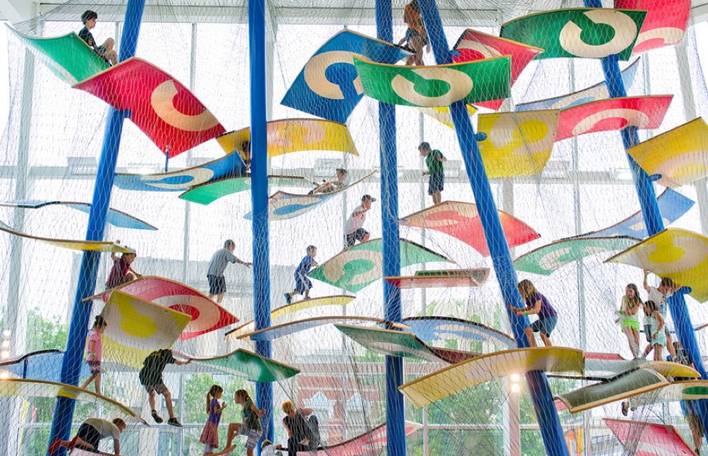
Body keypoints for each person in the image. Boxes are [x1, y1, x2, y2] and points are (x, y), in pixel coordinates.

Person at [139, 349, 190, 427]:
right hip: (154, 377)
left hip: (143, 375)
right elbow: (178, 362)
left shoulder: (154, 352)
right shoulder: (167, 353)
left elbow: (145, 362)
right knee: (167, 394)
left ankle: (153, 411)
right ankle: (172, 418)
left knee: (151, 393)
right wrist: (186, 362)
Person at [643, 271, 678, 360]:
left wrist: (684, 280)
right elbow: (645, 286)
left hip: (661, 322)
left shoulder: (665, 294)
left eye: (668, 290)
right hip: (652, 322)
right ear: (661, 285)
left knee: (668, 338)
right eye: (665, 289)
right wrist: (645, 275)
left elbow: (674, 289)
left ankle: (675, 359)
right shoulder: (653, 291)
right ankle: (643, 357)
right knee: (654, 342)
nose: (666, 292)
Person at [514, 279, 558, 347]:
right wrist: (519, 310)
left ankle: (550, 350)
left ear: (526, 289)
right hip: (542, 319)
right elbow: (529, 308)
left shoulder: (536, 295)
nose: (520, 293)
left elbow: (537, 310)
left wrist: (522, 313)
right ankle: (534, 348)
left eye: (521, 290)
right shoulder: (528, 299)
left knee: (543, 334)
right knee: (528, 330)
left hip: (551, 317)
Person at [207, 240, 252, 304]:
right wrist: (244, 263)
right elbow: (235, 259)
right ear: (230, 246)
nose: (233, 250)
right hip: (215, 275)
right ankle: (208, 304)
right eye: (233, 248)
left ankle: (217, 304)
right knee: (214, 293)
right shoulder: (226, 251)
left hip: (214, 274)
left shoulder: (218, 251)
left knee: (221, 291)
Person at [49, 417, 126, 455]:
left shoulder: (108, 427)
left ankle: (61, 442)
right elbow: (116, 444)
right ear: (118, 424)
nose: (121, 431)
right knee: (92, 449)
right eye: (122, 428)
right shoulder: (115, 428)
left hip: (86, 424)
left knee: (79, 446)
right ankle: (79, 440)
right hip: (95, 427)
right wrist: (117, 454)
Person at [222, 390, 265, 456]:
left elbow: (257, 412)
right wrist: (236, 434)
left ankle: (227, 448)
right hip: (249, 428)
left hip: (255, 430)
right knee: (231, 426)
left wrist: (260, 412)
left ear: (240, 396)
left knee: (249, 452)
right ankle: (227, 449)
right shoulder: (243, 409)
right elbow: (245, 425)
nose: (234, 398)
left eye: (235, 396)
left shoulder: (249, 403)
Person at [80, 315, 107, 395]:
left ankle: (96, 391)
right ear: (98, 326)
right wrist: (92, 354)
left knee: (97, 375)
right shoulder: (94, 334)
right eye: (103, 328)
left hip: (95, 359)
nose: (103, 331)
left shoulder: (96, 334)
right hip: (93, 358)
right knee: (96, 373)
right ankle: (86, 387)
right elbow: (92, 344)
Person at [399, 0, 428, 65]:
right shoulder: (410, 10)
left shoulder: (418, 20)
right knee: (417, 56)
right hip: (414, 35)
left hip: (415, 35)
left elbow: (404, 39)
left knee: (414, 57)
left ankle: (419, 66)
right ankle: (420, 66)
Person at [201, 385, 228, 456]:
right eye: (220, 393)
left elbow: (212, 412)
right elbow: (216, 412)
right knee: (210, 442)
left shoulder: (213, 401)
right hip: (212, 424)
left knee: (209, 443)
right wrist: (223, 407)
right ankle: (208, 454)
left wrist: (221, 407)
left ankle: (209, 453)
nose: (221, 395)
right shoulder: (215, 401)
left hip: (212, 423)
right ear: (216, 393)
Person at [618, 283, 642, 359]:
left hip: (634, 321)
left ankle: (637, 356)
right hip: (625, 321)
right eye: (627, 291)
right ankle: (635, 356)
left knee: (637, 340)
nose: (628, 293)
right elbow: (624, 310)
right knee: (631, 338)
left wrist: (628, 311)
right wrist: (622, 314)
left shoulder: (637, 300)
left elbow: (633, 312)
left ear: (635, 291)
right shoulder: (624, 298)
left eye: (630, 291)